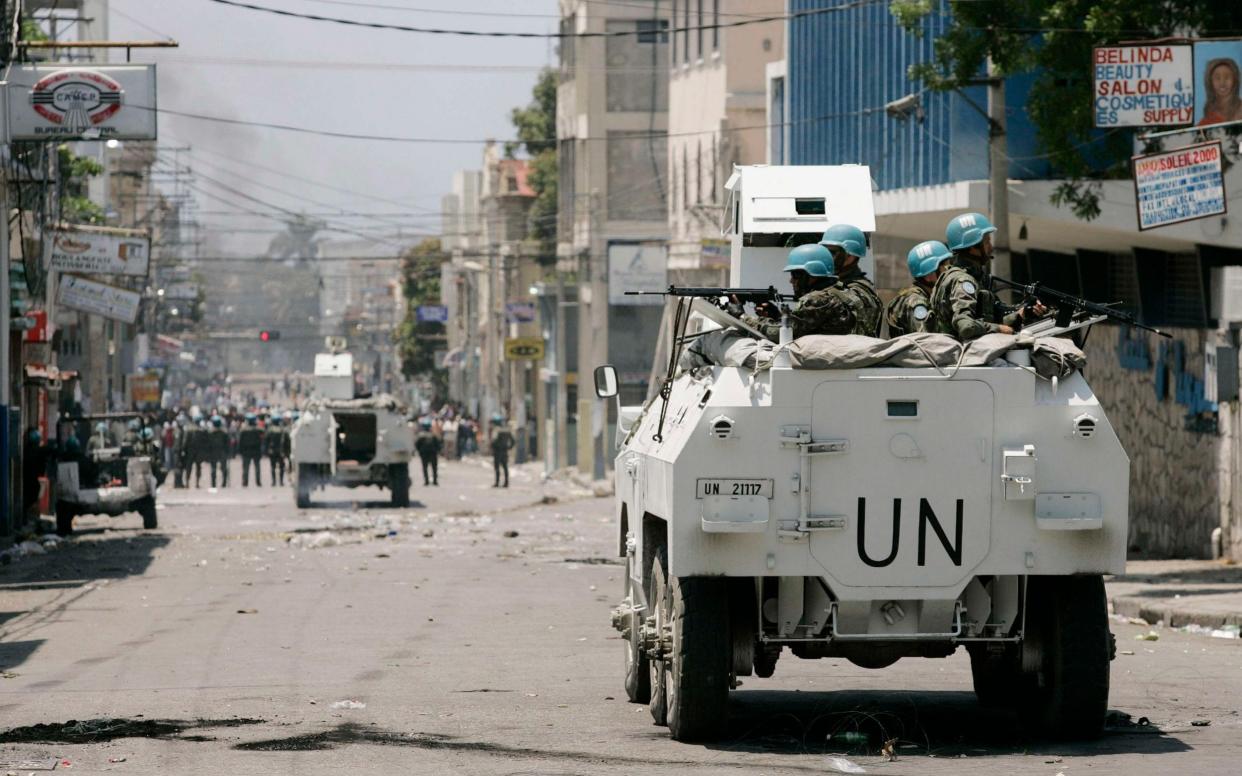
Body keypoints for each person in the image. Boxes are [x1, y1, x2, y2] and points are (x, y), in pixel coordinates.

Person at [928, 212, 1046, 341]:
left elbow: (989, 319)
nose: (991, 247)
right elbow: (966, 327)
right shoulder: (963, 281)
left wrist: (1020, 314)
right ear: (973, 246)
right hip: (964, 355)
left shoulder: (970, 277)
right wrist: (1000, 329)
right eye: (987, 242)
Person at [738, 243, 855, 341]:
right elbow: (803, 325)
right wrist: (778, 316)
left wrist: (742, 317)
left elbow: (782, 334)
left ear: (812, 274)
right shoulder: (839, 291)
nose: (791, 280)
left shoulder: (817, 299)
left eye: (795, 274)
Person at [819, 224, 883, 337]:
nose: (826, 257)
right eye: (825, 252)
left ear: (850, 256)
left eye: (832, 252)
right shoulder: (836, 285)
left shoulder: (855, 290)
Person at [885, 240, 953, 337]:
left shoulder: (925, 296)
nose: (949, 272)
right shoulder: (916, 302)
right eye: (945, 267)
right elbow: (927, 341)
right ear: (929, 275)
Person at [1199, 58, 1242, 127]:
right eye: (1217, 78)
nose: (1222, 83)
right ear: (1210, 82)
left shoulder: (1240, 110)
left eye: (1227, 77)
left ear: (1235, 80)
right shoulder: (1209, 115)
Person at [238, 414, 264, 487]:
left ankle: (245, 482)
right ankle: (258, 482)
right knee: (257, 467)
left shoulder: (243, 430)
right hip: (256, 451)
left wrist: (240, 451)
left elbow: (240, 442)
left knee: (246, 468)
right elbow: (263, 439)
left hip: (246, 451)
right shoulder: (259, 430)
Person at [490, 414, 515, 488]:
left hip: (497, 451)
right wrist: (508, 447)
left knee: (497, 467)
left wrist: (492, 447)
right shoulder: (507, 430)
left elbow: (493, 441)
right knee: (505, 467)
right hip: (504, 451)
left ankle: (497, 482)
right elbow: (513, 441)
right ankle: (506, 482)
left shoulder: (496, 430)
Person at [415, 418, 442, 486]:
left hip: (424, 454)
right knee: (434, 468)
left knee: (425, 468)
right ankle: (435, 481)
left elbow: (417, 445)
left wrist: (419, 452)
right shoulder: (433, 435)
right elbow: (438, 444)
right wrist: (438, 451)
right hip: (433, 453)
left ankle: (426, 481)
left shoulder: (421, 435)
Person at [265, 415, 290, 486]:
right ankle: (281, 482)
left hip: (272, 451)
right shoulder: (283, 430)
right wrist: (287, 452)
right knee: (281, 467)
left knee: (273, 467)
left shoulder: (270, 430)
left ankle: (273, 482)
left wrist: (266, 451)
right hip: (281, 451)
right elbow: (287, 442)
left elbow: (266, 441)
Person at [207, 415, 230, 488]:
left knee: (213, 468)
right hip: (222, 451)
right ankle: (224, 482)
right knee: (223, 468)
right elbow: (227, 443)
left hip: (213, 452)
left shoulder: (210, 432)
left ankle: (213, 483)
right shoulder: (224, 432)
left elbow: (208, 443)